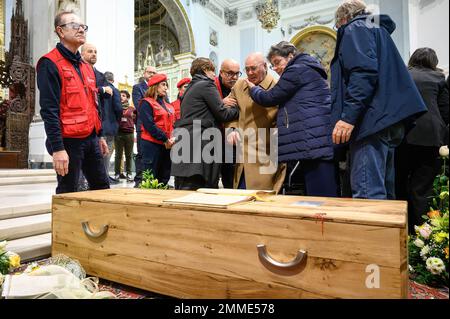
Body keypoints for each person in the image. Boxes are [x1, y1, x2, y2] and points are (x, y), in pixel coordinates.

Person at [331, 0, 427, 199]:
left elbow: (362, 73)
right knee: (385, 192)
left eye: (337, 25)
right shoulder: (376, 29)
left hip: (370, 121)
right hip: (388, 119)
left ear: (344, 18)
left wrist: (348, 118)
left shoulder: (355, 27)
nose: (338, 29)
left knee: (368, 195)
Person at [248, 44, 338, 197]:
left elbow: (270, 97)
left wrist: (253, 89)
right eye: (273, 64)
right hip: (316, 139)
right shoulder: (307, 67)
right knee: (320, 192)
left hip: (313, 140)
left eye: (277, 62)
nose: (275, 68)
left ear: (290, 56)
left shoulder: (296, 69)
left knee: (321, 196)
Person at [37, 11, 109, 194]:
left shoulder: (86, 66)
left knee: (102, 188)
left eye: (83, 27)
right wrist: (57, 148)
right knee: (68, 191)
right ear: (60, 31)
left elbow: (93, 104)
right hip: (69, 141)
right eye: (75, 26)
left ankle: (97, 223)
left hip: (91, 138)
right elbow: (49, 110)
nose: (81, 30)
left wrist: (99, 135)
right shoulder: (50, 63)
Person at [395, 48, 449, 232]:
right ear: (433, 62)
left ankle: (402, 230)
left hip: (405, 136)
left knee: (400, 184)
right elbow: (446, 110)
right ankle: (421, 235)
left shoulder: (403, 75)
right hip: (431, 138)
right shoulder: (438, 79)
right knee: (422, 189)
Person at [171, 58, 239, 190]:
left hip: (187, 147)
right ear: (205, 70)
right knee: (203, 189)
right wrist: (239, 109)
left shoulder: (191, 88)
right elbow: (223, 114)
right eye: (212, 71)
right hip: (200, 147)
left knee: (186, 190)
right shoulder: (206, 84)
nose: (214, 75)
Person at [225, 52, 286, 192]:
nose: (250, 73)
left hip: (265, 156)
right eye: (247, 69)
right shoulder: (239, 86)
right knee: (239, 200)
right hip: (242, 158)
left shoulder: (278, 87)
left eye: (254, 68)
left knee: (261, 202)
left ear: (265, 66)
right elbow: (229, 112)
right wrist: (232, 129)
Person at [139, 73, 175, 186]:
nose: (166, 88)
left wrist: (172, 139)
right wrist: (165, 139)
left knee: (164, 176)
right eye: (163, 84)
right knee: (150, 177)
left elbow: (172, 124)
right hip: (151, 145)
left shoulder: (168, 105)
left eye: (166, 85)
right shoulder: (146, 103)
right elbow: (150, 125)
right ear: (155, 86)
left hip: (166, 145)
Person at [214, 59, 241, 189]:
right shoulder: (211, 86)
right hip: (212, 138)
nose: (234, 77)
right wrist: (220, 103)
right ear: (221, 73)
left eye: (237, 73)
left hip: (230, 138)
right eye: (230, 73)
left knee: (230, 176)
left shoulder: (240, 86)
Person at [132, 65, 157, 187]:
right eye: (150, 72)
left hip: (156, 126)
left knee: (155, 154)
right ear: (144, 73)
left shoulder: (159, 88)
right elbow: (139, 106)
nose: (152, 74)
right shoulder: (138, 88)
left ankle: (153, 180)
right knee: (142, 154)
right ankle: (139, 180)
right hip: (143, 125)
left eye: (154, 72)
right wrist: (156, 112)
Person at [102, 71, 123, 183]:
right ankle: (104, 176)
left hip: (98, 126)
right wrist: (117, 122)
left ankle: (102, 176)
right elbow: (119, 109)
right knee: (106, 152)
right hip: (110, 126)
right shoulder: (114, 90)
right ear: (113, 80)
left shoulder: (99, 89)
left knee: (99, 152)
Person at [114, 90, 135, 182]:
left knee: (129, 155)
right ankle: (117, 174)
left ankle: (129, 174)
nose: (121, 97)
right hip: (118, 133)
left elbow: (136, 120)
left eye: (123, 95)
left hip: (129, 133)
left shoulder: (132, 109)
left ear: (127, 98)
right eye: (120, 95)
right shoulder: (116, 108)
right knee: (118, 155)